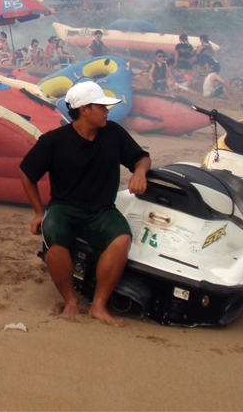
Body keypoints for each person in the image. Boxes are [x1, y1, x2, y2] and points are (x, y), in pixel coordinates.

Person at [19, 81, 150, 325]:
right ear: (85, 109)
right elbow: (27, 172)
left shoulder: (113, 133)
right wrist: (39, 212)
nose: (107, 111)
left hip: (102, 211)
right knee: (54, 233)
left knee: (121, 237)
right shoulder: (54, 141)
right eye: (102, 106)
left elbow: (141, 157)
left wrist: (140, 172)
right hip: (64, 208)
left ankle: (99, 305)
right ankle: (70, 301)